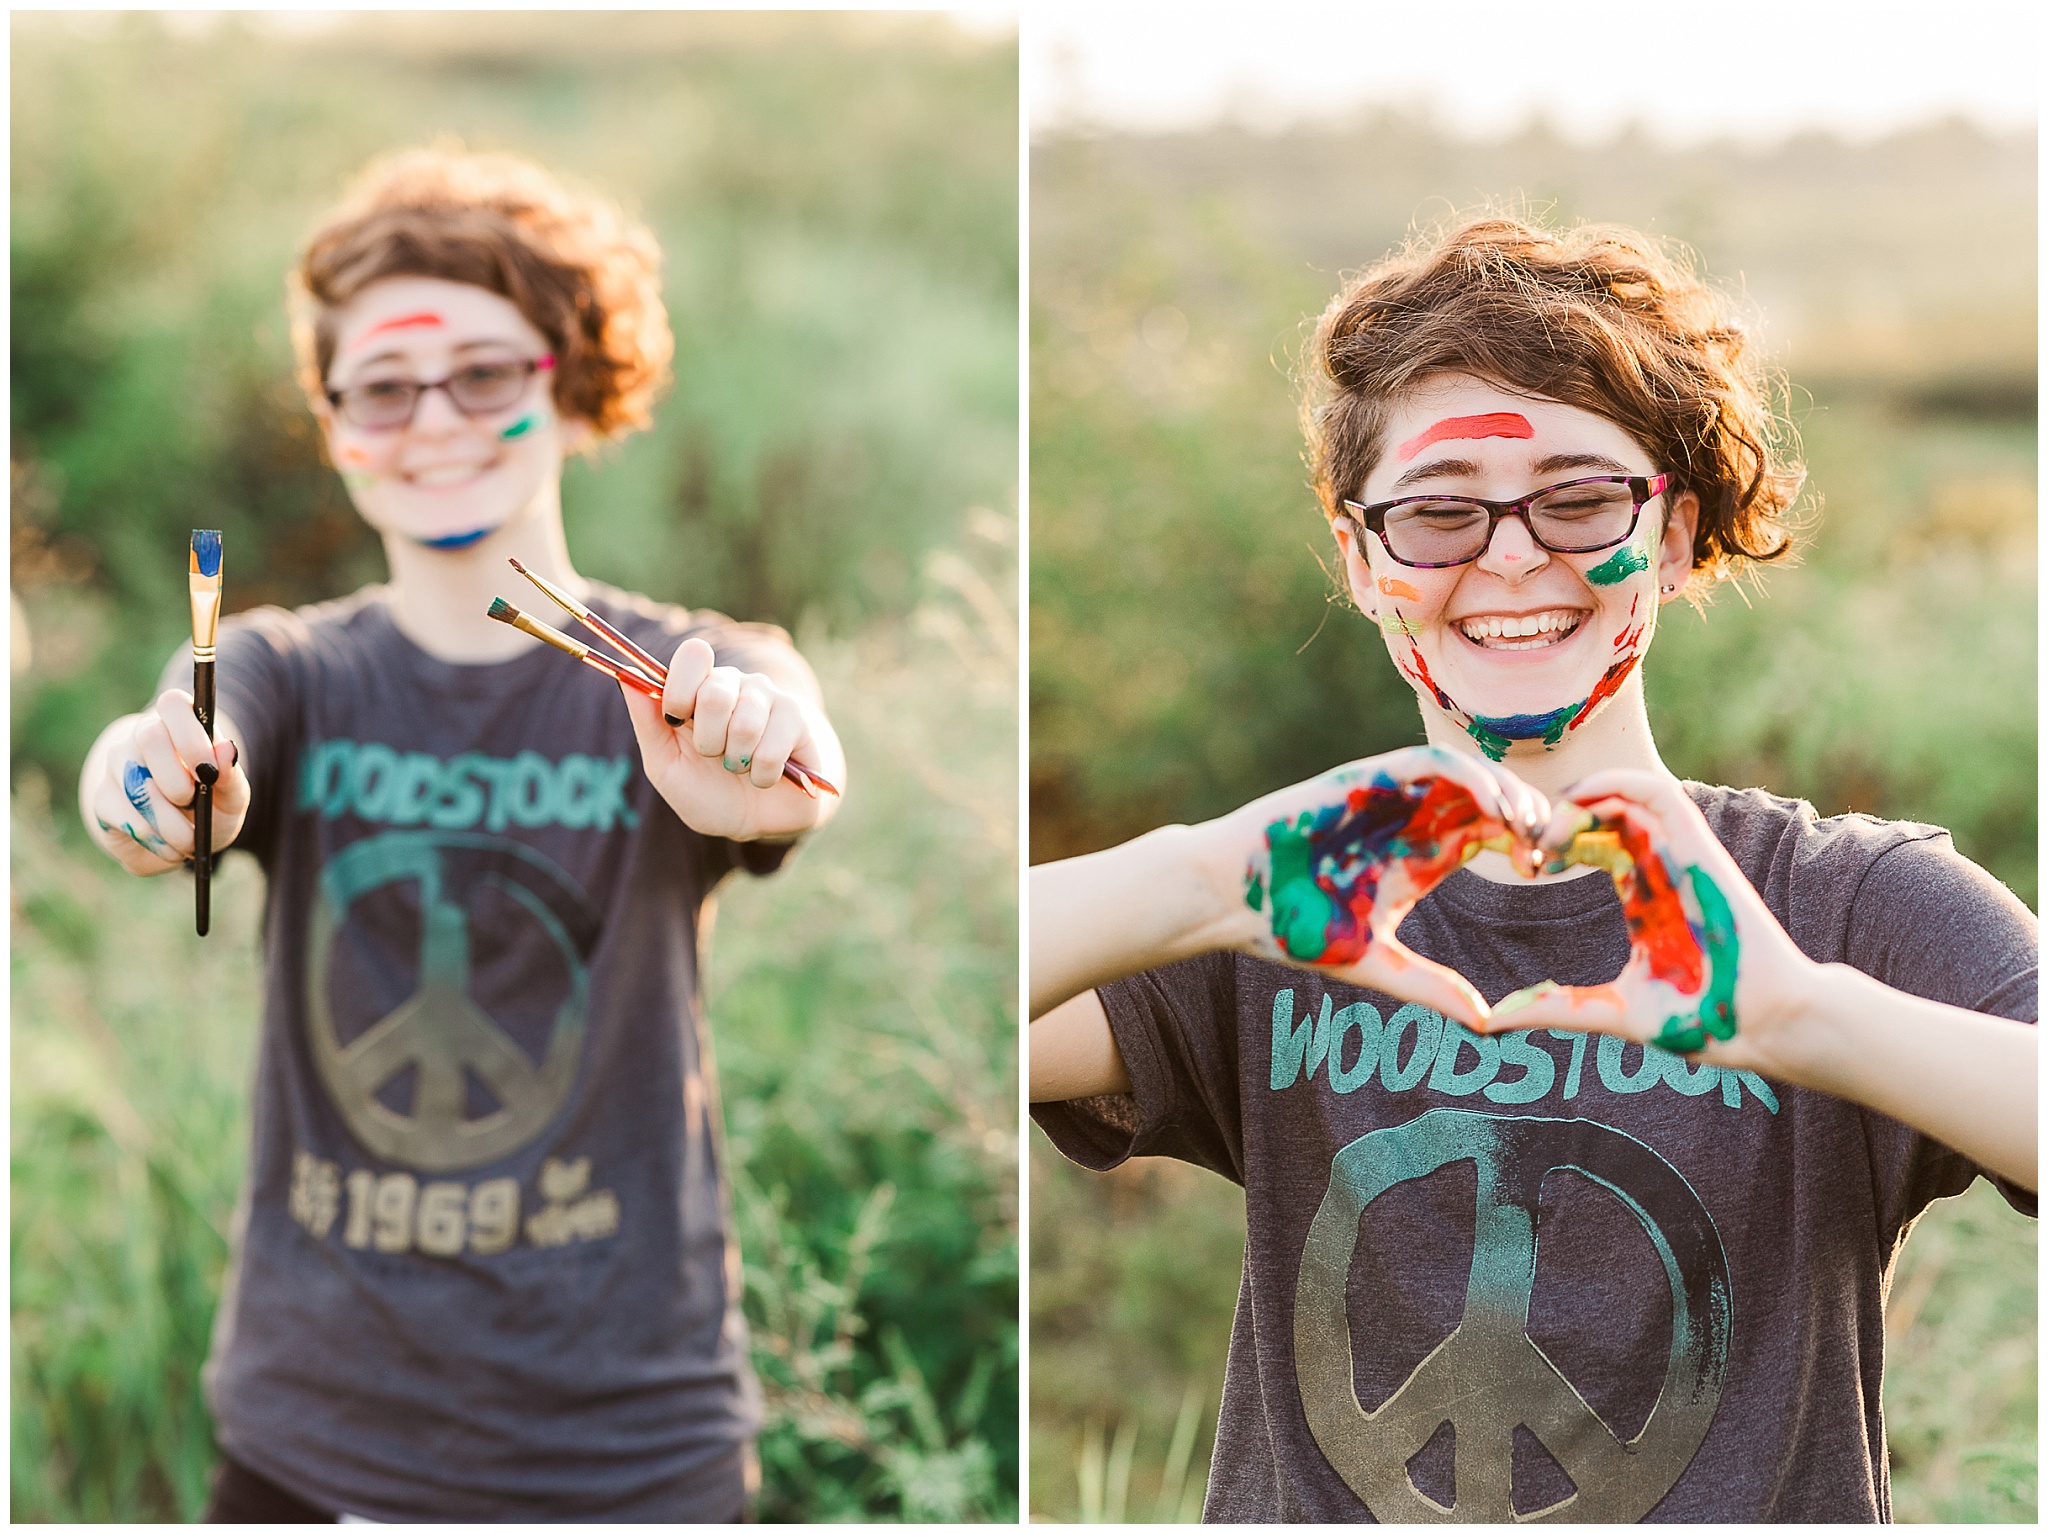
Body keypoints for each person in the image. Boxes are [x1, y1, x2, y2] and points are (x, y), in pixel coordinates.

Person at [1029, 216, 2035, 1523]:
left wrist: (1800, 1015)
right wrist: (1203, 882)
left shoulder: (1844, 903)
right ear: (1362, 560)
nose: (1512, 557)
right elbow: (934, 1001)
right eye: (1438, 513)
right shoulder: (1285, 908)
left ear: (1671, 535)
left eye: (1579, 499)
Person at [78, 147, 845, 1522]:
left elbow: (798, 741)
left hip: (635, 1452)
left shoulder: (685, 675)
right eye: (382, 387)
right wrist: (150, 782)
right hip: (312, 1446)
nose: (432, 419)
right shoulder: (284, 673)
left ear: (574, 383)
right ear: (333, 425)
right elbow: (142, 760)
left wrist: (773, 756)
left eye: (484, 375)